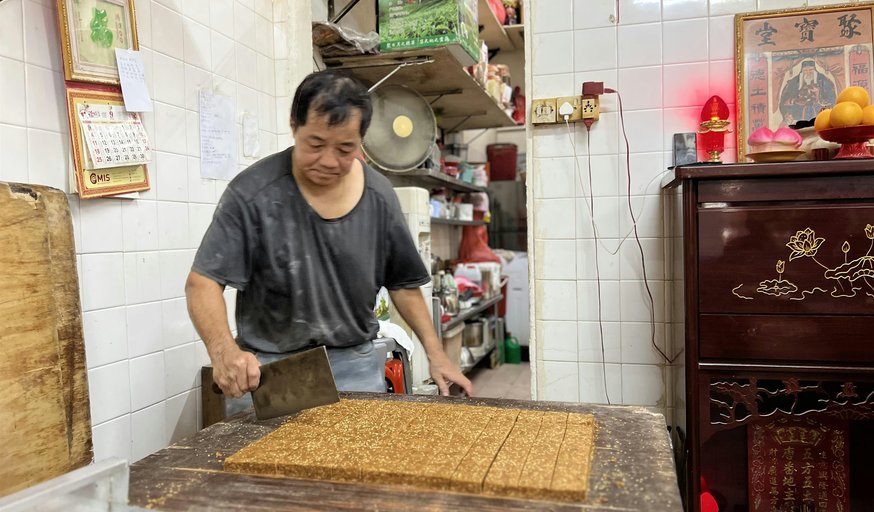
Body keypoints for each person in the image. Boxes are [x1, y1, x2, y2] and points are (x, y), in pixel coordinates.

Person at [186, 70, 473, 410]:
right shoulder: (253, 194)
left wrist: (436, 354)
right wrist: (223, 352)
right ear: (294, 126)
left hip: (354, 369)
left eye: (345, 148)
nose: (328, 161)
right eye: (316, 144)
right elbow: (202, 283)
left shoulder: (378, 196)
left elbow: (404, 285)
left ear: (361, 141)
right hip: (267, 373)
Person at [779, 59, 836, 125]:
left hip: (819, 112)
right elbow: (784, 100)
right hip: (798, 113)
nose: (808, 73)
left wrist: (818, 96)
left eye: (811, 70)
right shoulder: (793, 82)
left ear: (815, 70)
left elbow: (832, 99)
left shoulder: (824, 81)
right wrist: (787, 114)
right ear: (802, 71)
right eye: (805, 70)